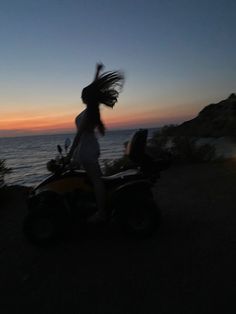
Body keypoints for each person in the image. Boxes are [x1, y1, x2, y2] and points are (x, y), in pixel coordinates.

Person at [68, 63, 124, 223]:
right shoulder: (91, 110)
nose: (81, 97)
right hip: (87, 149)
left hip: (86, 150)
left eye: (82, 95)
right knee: (91, 180)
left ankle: (101, 213)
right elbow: (93, 88)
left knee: (97, 181)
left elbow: (78, 135)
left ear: (86, 98)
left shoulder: (89, 113)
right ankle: (91, 206)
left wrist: (70, 154)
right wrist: (97, 72)